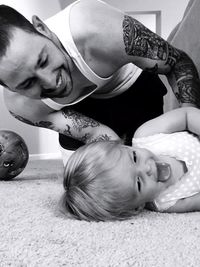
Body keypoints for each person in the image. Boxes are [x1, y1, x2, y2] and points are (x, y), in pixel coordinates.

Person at [1, 0, 200, 162]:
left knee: (164, 160)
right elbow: (95, 134)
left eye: (43, 60)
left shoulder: (94, 27)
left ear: (42, 28)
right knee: (93, 184)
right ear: (10, 87)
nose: (51, 82)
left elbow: (177, 63)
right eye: (28, 83)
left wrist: (188, 129)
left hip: (134, 87)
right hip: (81, 113)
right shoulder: (21, 105)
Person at [61, 106, 200, 221]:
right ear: (137, 207)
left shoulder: (147, 135)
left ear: (125, 146)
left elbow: (186, 116)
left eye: (134, 157)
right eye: (138, 183)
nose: (147, 168)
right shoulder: (166, 202)